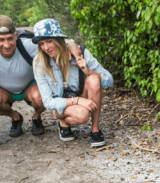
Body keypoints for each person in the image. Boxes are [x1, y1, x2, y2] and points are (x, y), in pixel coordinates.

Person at [0, 17, 83, 137]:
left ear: (16, 35)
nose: (7, 45)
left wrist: (70, 43)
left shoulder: (28, 45)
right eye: (1, 40)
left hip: (29, 86)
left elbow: (53, 42)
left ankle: (37, 117)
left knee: (41, 97)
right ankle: (16, 118)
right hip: (2, 88)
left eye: (10, 38)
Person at [32, 19, 113, 147]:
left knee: (93, 79)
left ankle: (95, 130)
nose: (46, 48)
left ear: (59, 39)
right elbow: (48, 102)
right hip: (61, 105)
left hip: (82, 95)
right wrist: (77, 101)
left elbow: (109, 80)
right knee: (82, 116)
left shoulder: (81, 53)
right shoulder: (39, 63)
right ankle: (63, 122)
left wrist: (88, 71)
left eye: (49, 41)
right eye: (41, 43)